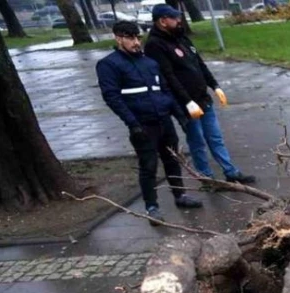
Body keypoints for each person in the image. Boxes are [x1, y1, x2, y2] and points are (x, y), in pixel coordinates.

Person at [96, 21, 203, 223]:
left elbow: (164, 91)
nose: (136, 42)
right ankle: (151, 207)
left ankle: (180, 195)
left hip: (164, 120)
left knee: (172, 159)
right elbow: (112, 98)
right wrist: (132, 124)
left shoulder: (150, 63)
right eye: (130, 38)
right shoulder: (109, 65)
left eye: (138, 37)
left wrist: (180, 117)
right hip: (143, 124)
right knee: (148, 165)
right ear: (118, 38)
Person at [144, 4, 256, 185]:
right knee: (197, 142)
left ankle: (231, 172)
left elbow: (199, 64)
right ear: (162, 21)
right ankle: (207, 178)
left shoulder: (181, 37)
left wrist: (214, 85)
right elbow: (168, 76)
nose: (178, 20)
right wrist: (187, 101)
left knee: (215, 137)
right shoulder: (155, 45)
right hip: (185, 103)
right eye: (173, 18)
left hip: (202, 97)